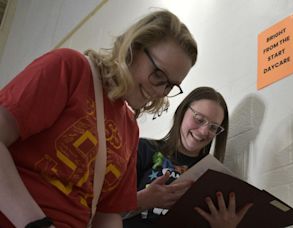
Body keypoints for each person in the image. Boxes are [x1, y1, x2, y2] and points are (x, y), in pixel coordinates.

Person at [0, 9, 197, 228]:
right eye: (158, 75)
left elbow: (107, 213)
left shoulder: (130, 129)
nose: (161, 91)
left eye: (170, 85)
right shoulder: (70, 68)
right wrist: (35, 224)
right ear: (133, 47)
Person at [123, 87, 252, 228]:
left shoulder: (215, 176)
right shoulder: (144, 149)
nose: (204, 132)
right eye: (199, 119)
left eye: (213, 127)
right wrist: (142, 201)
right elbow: (103, 209)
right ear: (182, 111)